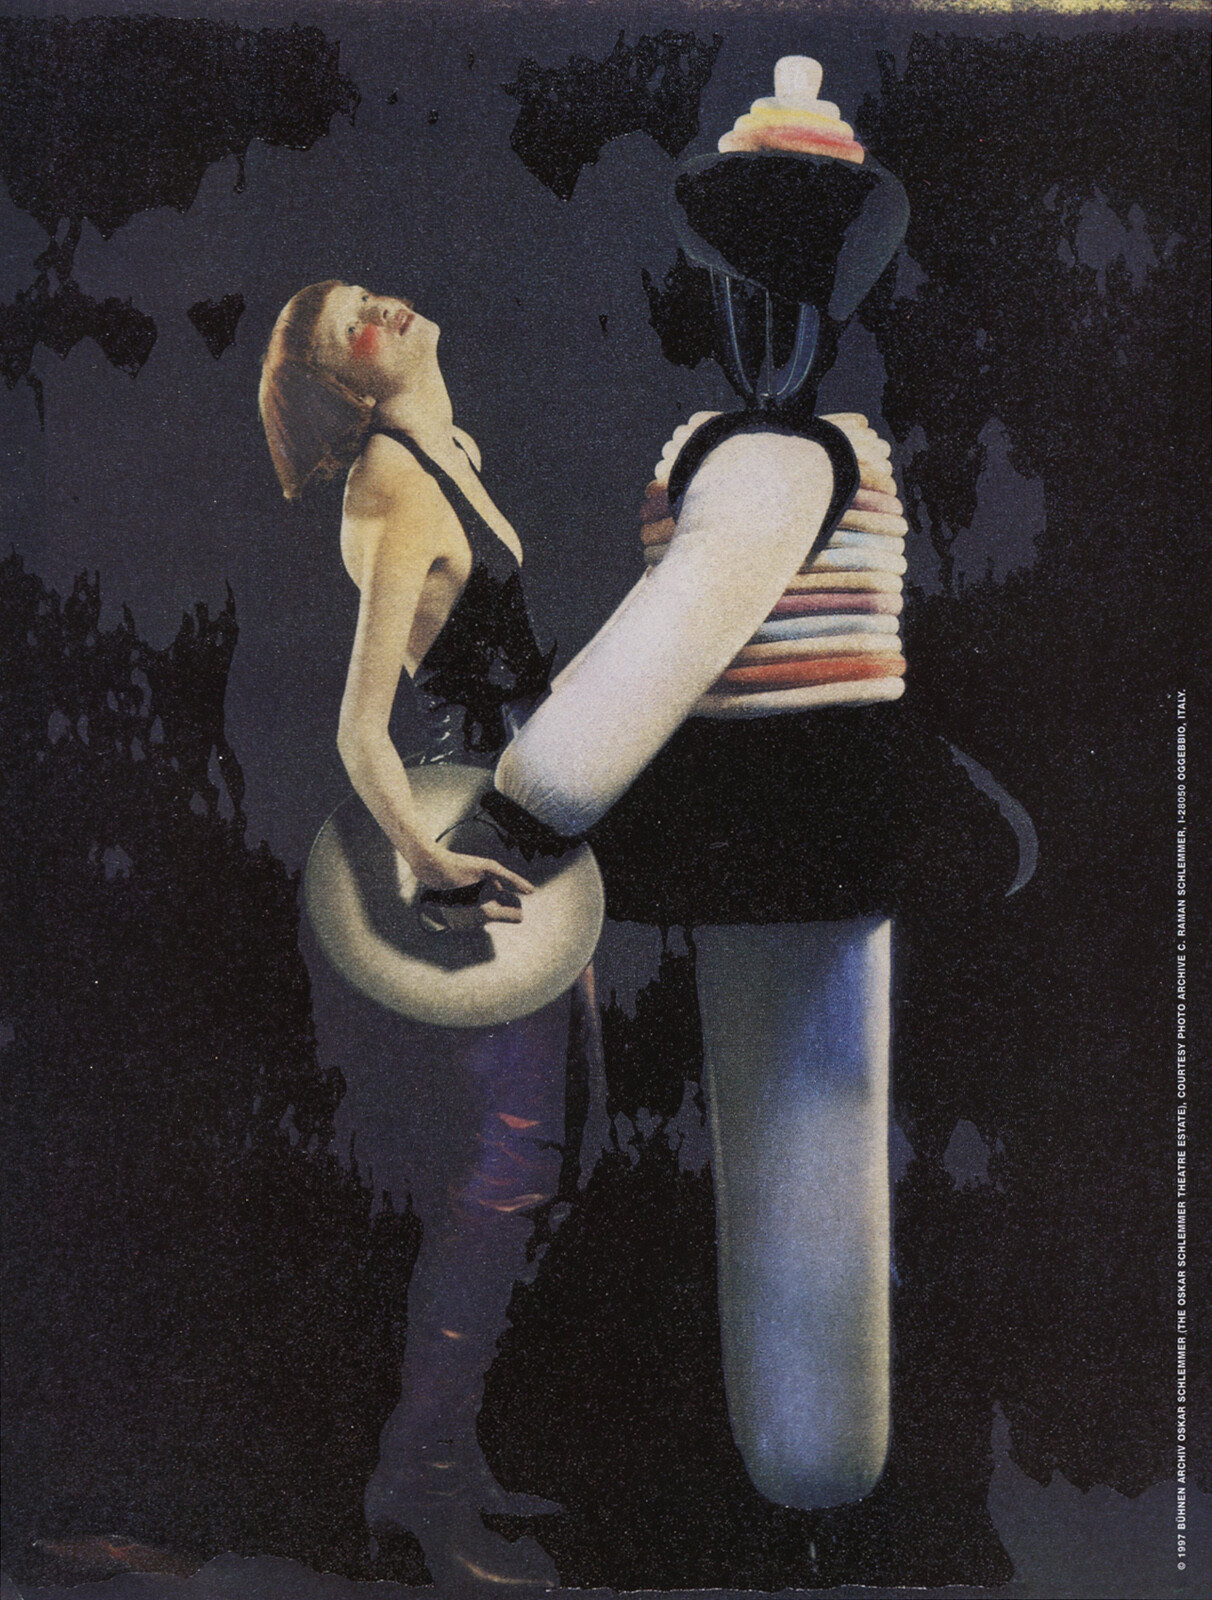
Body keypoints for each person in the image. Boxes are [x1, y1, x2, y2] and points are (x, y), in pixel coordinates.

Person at [259, 280, 598, 1592]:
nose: (384, 308)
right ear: (351, 384)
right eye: (357, 322)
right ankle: (419, 1483)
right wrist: (426, 857)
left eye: (368, 293)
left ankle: (448, 1452)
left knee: (547, 1150)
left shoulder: (442, 449)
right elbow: (360, 727)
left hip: (531, 826)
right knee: (513, 1164)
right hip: (478, 841)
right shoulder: (393, 484)